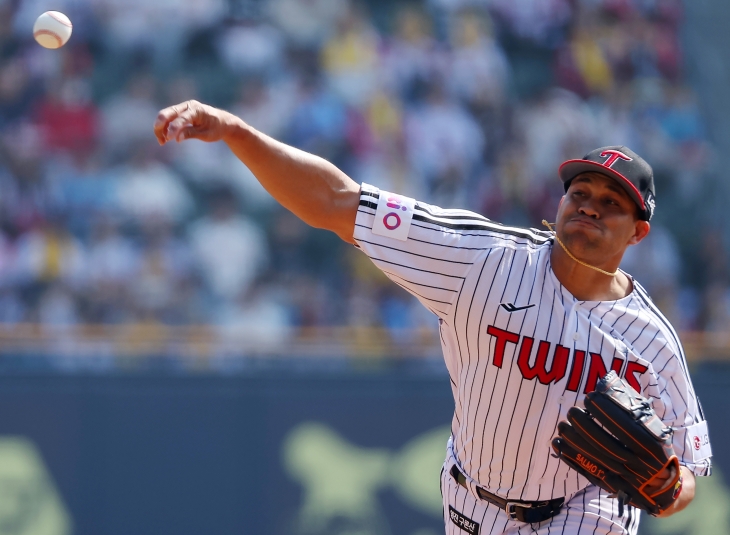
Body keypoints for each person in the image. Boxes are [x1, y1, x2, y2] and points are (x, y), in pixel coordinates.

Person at [153, 101, 712, 534]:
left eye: (612, 202)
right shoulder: (482, 259)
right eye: (580, 191)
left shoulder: (651, 339)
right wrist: (235, 132)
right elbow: (335, 202)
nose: (589, 204)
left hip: (586, 511)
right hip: (471, 501)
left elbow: (689, 466)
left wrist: (669, 488)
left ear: (639, 232)